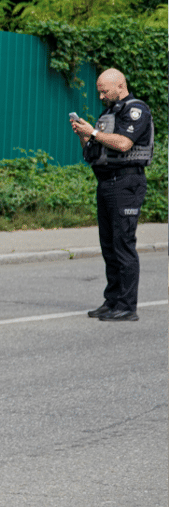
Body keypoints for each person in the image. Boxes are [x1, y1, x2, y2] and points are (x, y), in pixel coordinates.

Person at [70, 68, 155, 322]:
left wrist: (94, 133)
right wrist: (85, 137)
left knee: (123, 245)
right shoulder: (109, 112)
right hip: (106, 183)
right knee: (108, 245)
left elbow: (124, 144)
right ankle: (112, 301)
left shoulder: (136, 110)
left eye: (104, 90)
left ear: (120, 86)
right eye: (99, 90)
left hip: (127, 183)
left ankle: (128, 306)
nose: (100, 95)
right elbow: (94, 152)